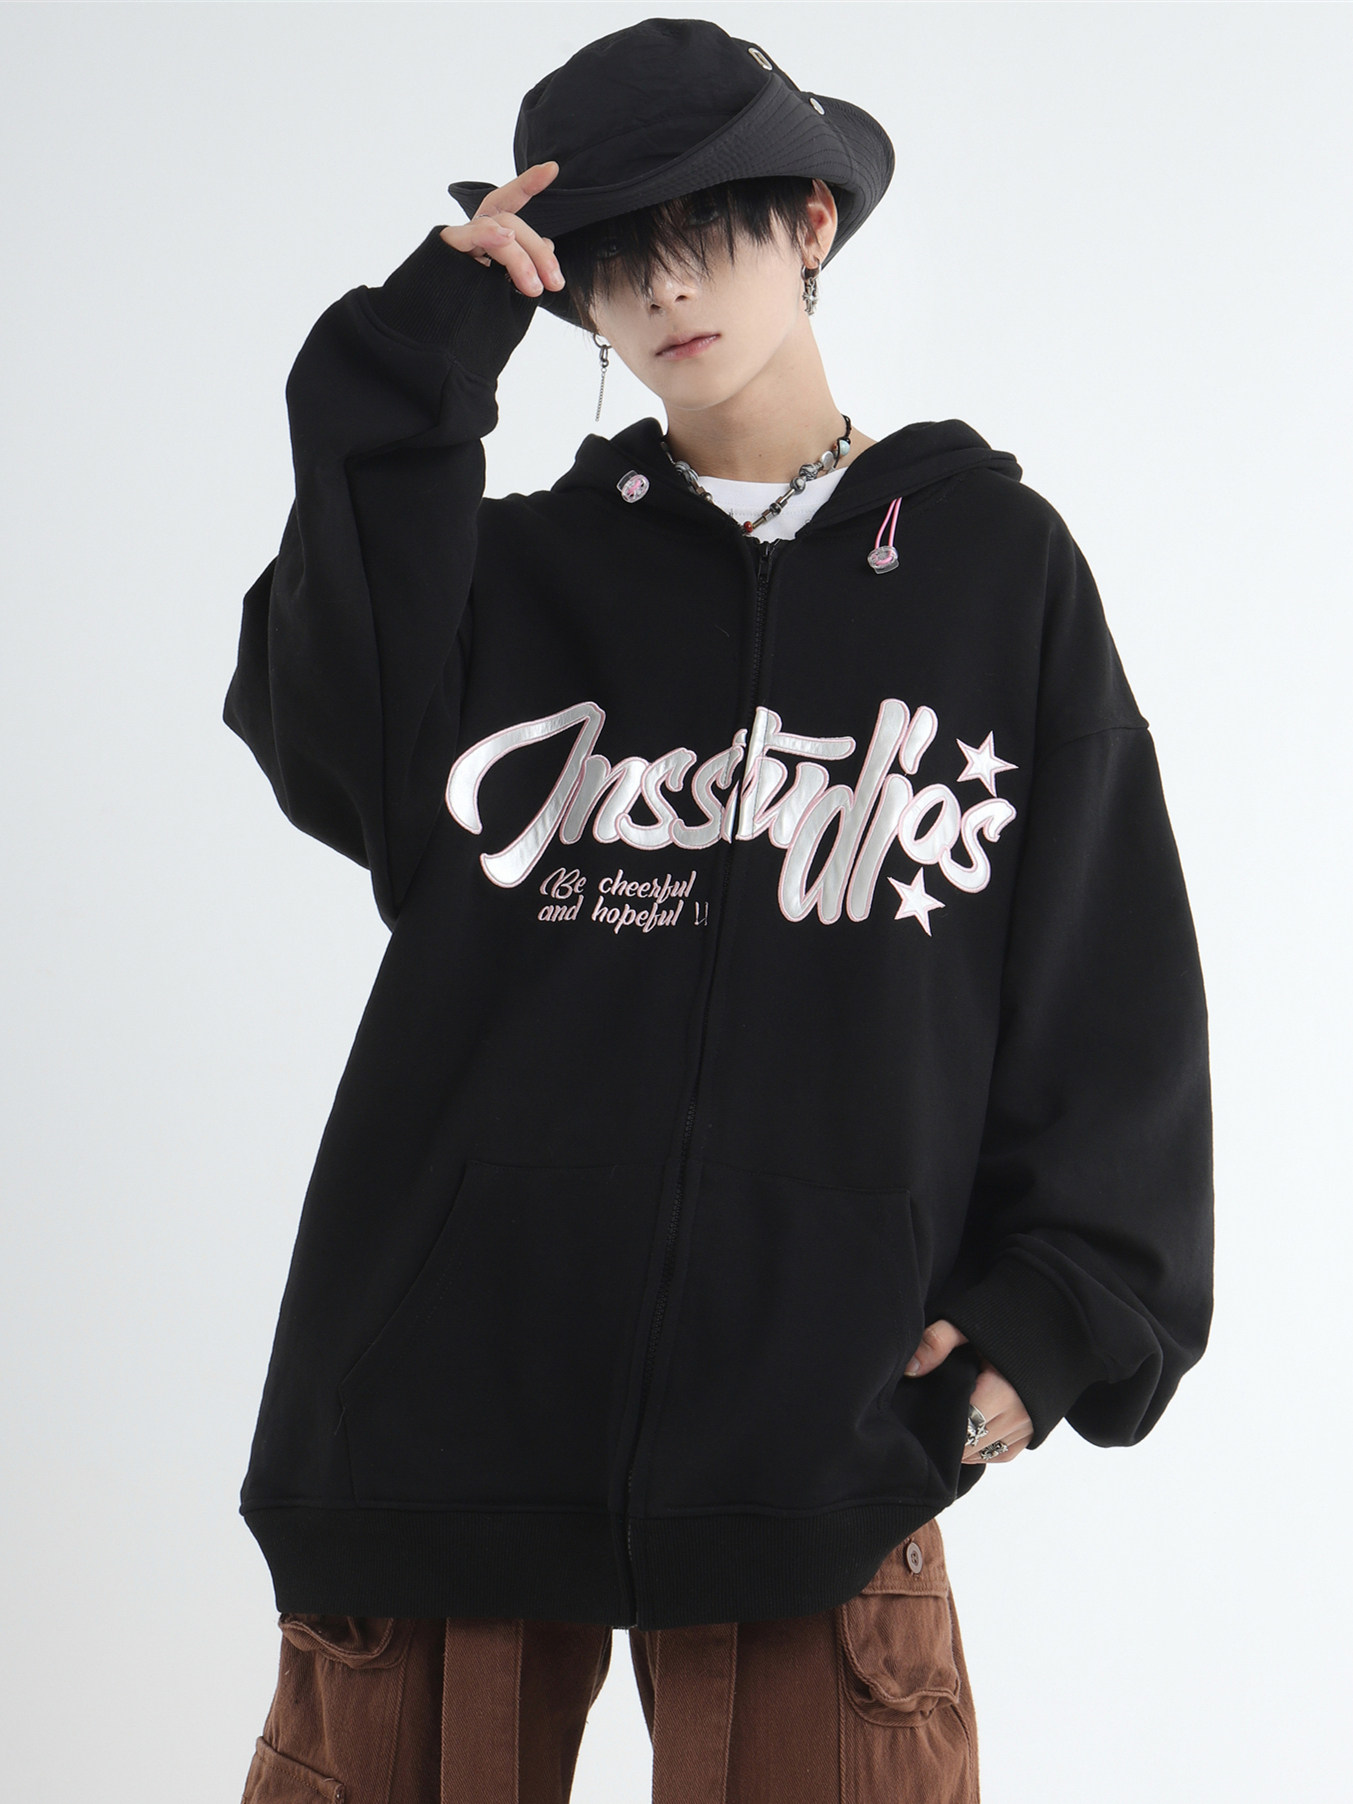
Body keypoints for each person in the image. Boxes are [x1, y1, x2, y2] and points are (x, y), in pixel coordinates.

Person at [224, 18, 1213, 1803]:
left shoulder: (993, 572)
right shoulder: (508, 576)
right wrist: (426, 348)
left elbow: (1102, 967)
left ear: (809, 220)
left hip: (821, 1432)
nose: (661, 288)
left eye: (702, 230)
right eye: (610, 256)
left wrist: (1059, 1314)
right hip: (446, 1410)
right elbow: (329, 740)